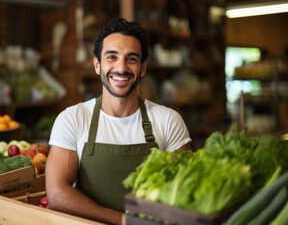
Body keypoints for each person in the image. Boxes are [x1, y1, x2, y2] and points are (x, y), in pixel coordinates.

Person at [45, 17, 192, 225]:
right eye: (112, 57)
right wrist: (124, 221)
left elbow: (185, 190)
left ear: (143, 67)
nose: (121, 68)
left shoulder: (168, 120)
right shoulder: (73, 119)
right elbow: (57, 195)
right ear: (97, 64)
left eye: (131, 59)